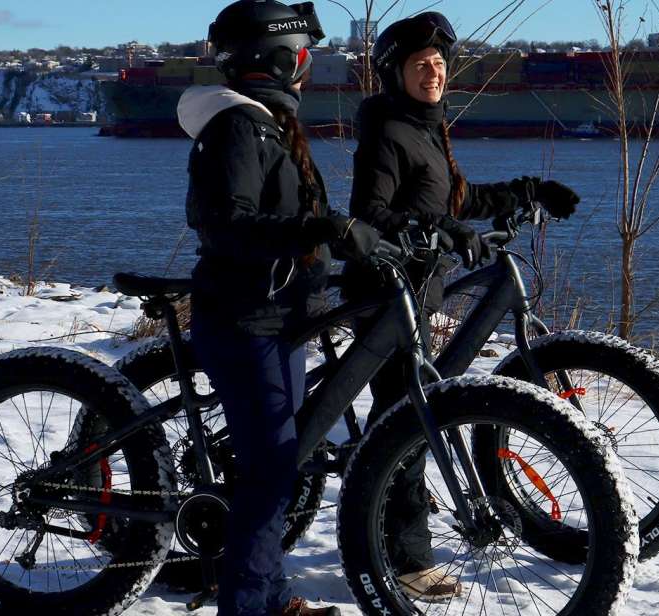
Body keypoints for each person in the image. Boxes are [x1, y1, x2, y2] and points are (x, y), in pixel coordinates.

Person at [346, 11, 582, 601]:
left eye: (440, 63)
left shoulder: (425, 126)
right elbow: (371, 212)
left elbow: (458, 198)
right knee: (407, 424)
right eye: (421, 64)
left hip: (416, 289)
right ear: (393, 72)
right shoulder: (385, 130)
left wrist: (528, 190)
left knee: (409, 421)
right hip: (386, 293)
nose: (434, 72)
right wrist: (439, 231)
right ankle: (405, 561)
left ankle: (389, 529)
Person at [179, 2, 377, 615]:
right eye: (302, 57)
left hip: (280, 317)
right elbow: (225, 223)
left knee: (282, 465)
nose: (308, 70)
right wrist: (316, 229)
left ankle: (273, 597)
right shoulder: (239, 127)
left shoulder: (267, 124)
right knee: (269, 474)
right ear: (279, 60)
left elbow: (286, 223)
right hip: (245, 320)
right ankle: (244, 607)